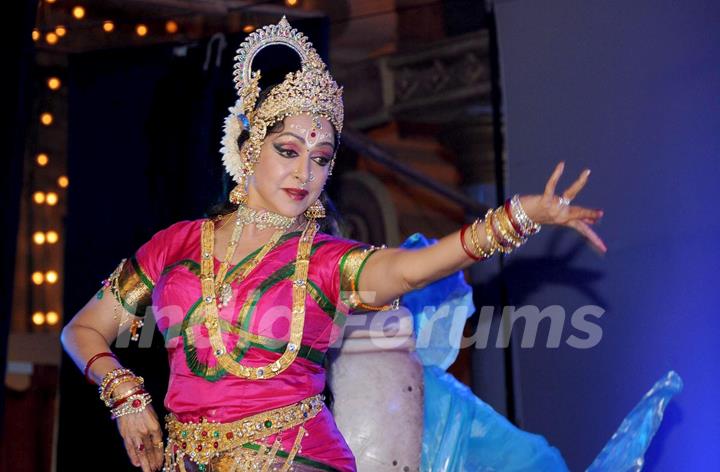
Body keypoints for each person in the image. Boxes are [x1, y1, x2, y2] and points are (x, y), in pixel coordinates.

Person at [60, 17, 606, 472]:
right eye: (290, 150)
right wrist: (125, 393)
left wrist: (521, 217)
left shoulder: (326, 262)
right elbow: (83, 329)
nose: (305, 172)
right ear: (249, 147)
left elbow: (415, 270)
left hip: (298, 460)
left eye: (321, 159)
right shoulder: (174, 245)